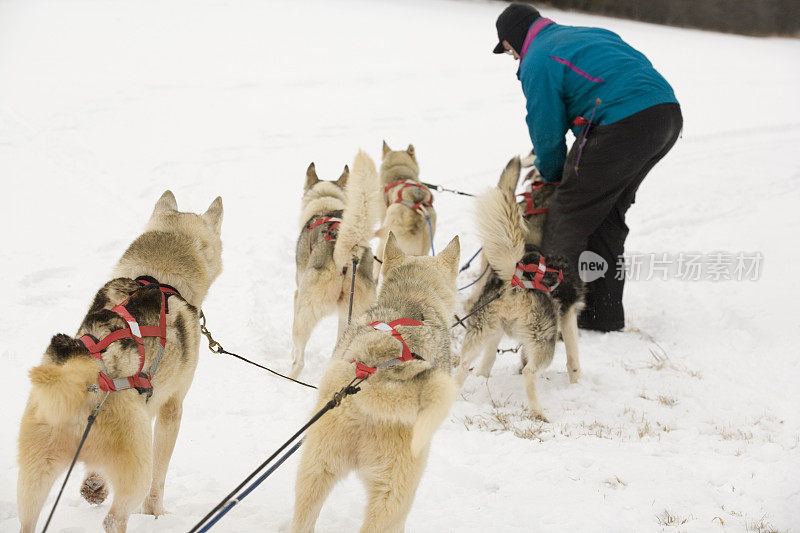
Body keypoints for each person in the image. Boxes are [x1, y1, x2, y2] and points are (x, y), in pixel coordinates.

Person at [493, 3, 683, 332]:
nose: (511, 56)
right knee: (605, 214)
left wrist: (553, 178)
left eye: (509, 49)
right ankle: (603, 315)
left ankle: (547, 316)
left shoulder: (538, 57)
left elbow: (547, 131)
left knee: (567, 211)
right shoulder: (586, 34)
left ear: (516, 37)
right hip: (665, 115)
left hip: (623, 122)